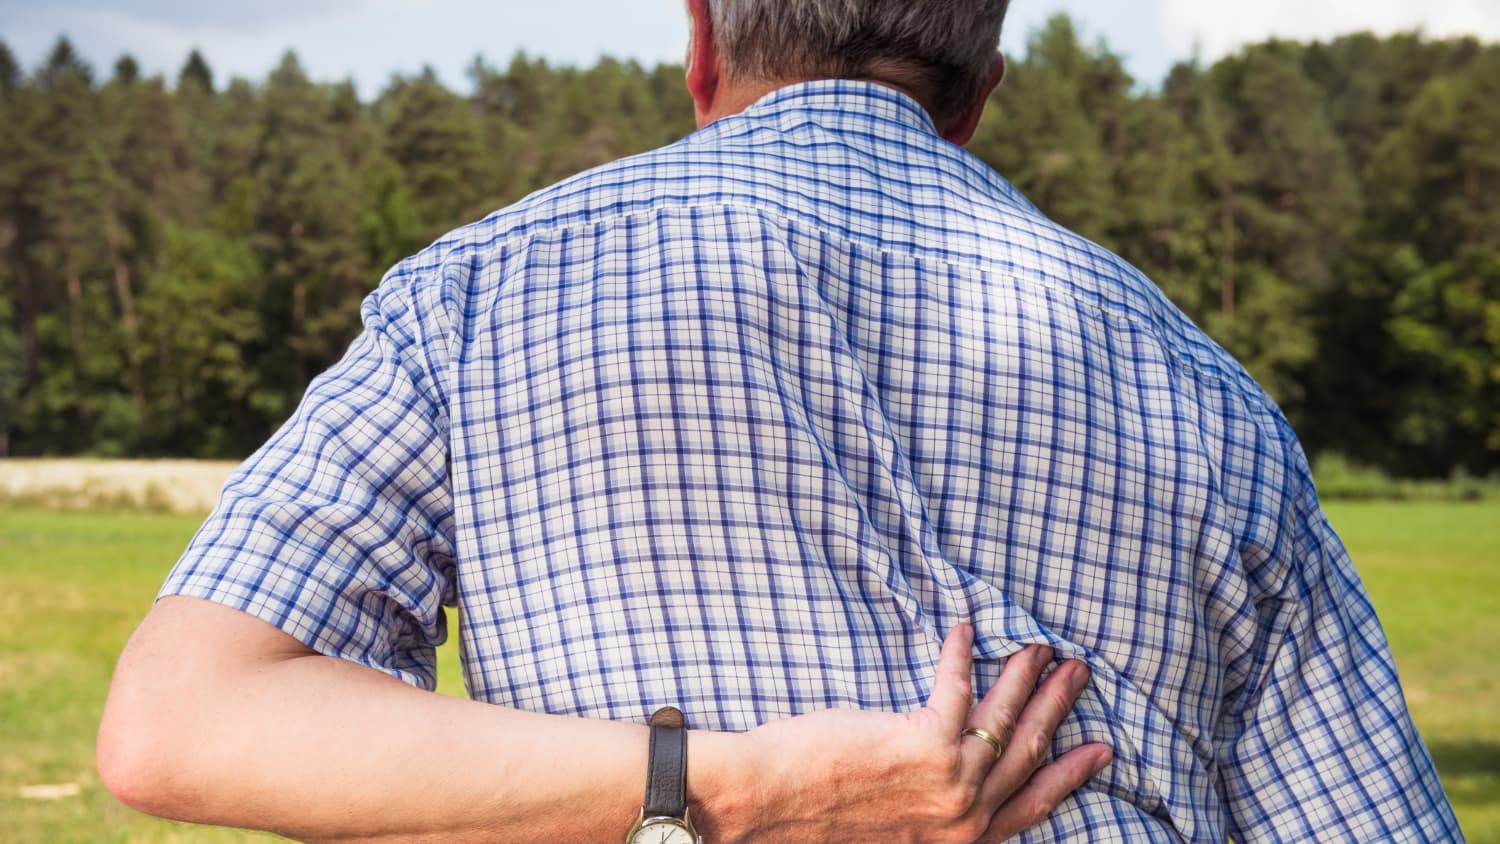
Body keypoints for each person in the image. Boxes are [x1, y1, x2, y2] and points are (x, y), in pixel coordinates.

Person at [98, 0, 1460, 840]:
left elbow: (178, 725)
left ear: (702, 41)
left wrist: (714, 790)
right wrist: (765, 786)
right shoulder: (1212, 393)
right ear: (977, 94)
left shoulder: (480, 293)